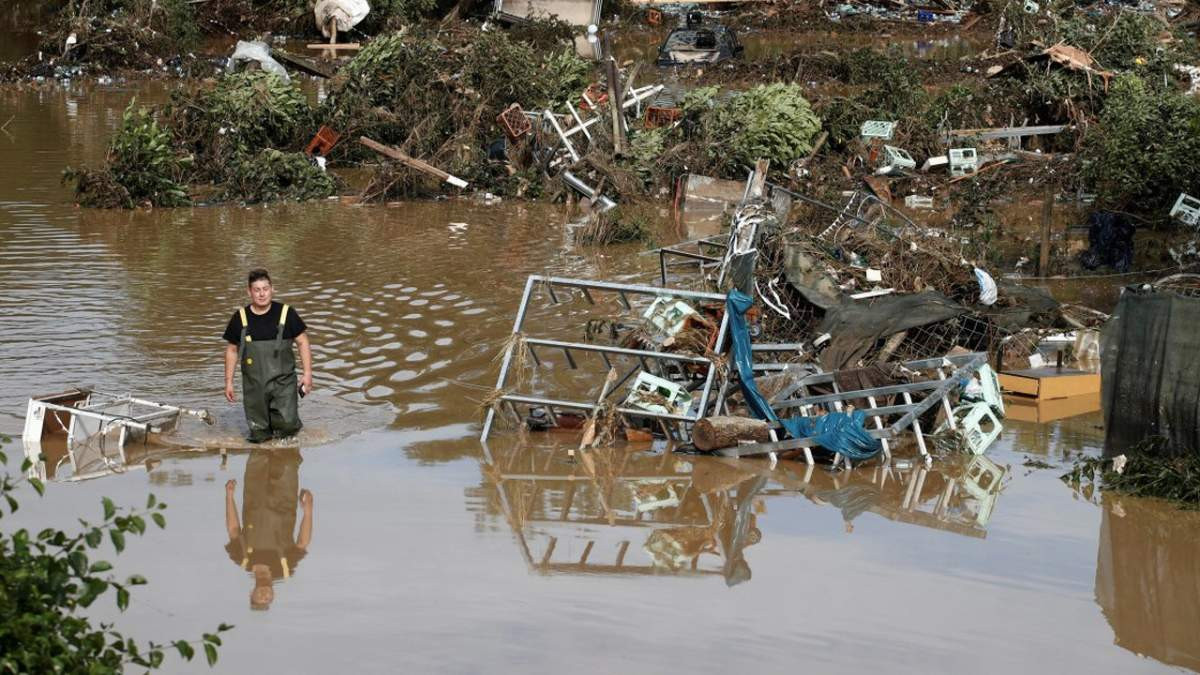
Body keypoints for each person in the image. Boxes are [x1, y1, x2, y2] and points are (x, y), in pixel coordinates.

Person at [222, 269, 312, 443]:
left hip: (283, 383)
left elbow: (303, 342)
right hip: (254, 385)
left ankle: (285, 458)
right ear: (249, 292)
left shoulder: (287, 313)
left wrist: (307, 374)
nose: (262, 294)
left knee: (288, 427)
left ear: (272, 289)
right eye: (257, 290)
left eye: (265, 288)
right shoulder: (240, 318)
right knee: (258, 433)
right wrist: (228, 382)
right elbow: (232, 350)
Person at [224, 449, 313, 611]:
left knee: (259, 450)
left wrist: (229, 496)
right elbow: (302, 543)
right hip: (285, 496)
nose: (265, 596)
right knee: (288, 451)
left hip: (254, 494)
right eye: (268, 600)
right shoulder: (285, 568)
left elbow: (233, 529)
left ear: (251, 593)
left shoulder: (242, 559)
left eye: (259, 598)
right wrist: (308, 511)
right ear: (273, 595)